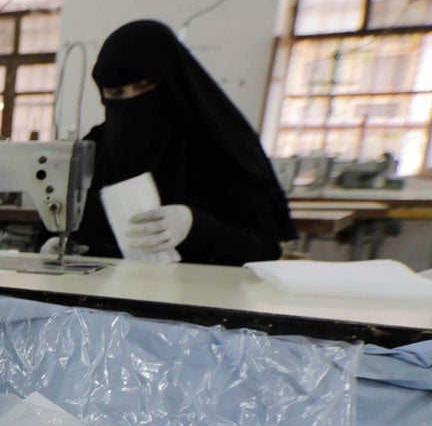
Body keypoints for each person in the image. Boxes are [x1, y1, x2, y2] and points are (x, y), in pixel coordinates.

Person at [58, 19, 293, 265]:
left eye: (144, 86)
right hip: (110, 294)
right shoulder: (96, 148)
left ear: (172, 82)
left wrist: (196, 227)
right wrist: (60, 245)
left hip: (199, 295)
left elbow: (265, 249)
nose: (131, 102)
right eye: (116, 94)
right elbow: (69, 222)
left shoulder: (218, 146)